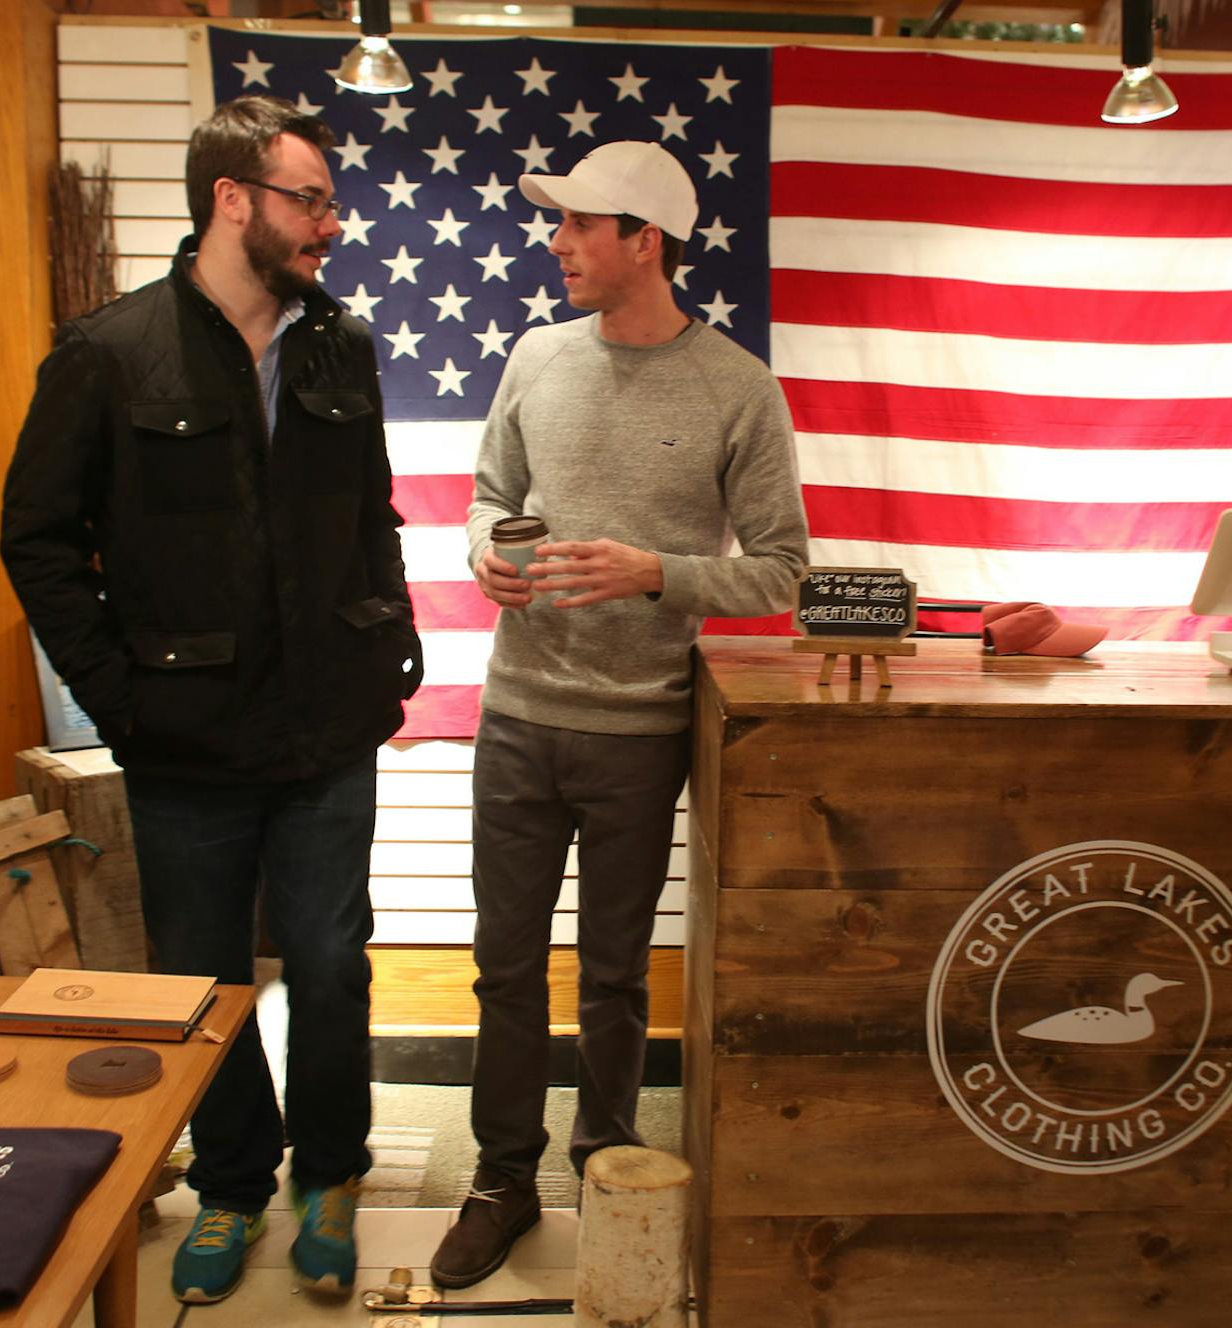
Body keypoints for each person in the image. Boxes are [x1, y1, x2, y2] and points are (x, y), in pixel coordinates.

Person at [0, 95, 422, 1306]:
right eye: (310, 199)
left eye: (329, 202)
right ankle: (234, 1180)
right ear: (232, 199)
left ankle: (330, 1173)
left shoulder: (341, 343)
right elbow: (35, 539)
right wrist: (118, 698)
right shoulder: (107, 350)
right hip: (182, 739)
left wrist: (391, 635)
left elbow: (370, 514)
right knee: (201, 972)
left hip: (330, 726)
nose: (330, 225)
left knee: (335, 962)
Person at [428, 140, 809, 1290]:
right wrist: (489, 552)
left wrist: (659, 572)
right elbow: (491, 496)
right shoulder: (536, 356)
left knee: (612, 970)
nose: (557, 244)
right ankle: (500, 1176)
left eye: (580, 225)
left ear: (645, 240)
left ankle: (602, 1154)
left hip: (640, 732)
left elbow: (783, 570)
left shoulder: (738, 386)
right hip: (517, 717)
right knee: (502, 964)